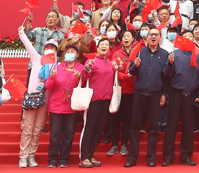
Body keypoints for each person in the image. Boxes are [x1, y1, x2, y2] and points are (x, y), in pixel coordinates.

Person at [126, 27, 174, 168]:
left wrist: (170, 64)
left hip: (155, 94)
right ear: (146, 37)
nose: (153, 37)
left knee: (153, 127)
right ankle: (132, 158)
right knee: (135, 126)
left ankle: (151, 158)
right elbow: (131, 72)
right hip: (140, 93)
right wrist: (135, 66)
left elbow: (167, 76)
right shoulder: (140, 51)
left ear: (160, 38)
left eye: (156, 35)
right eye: (151, 34)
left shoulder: (165, 54)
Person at [163, 30, 199, 167]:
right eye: (185, 36)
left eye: (190, 37)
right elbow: (166, 74)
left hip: (191, 94)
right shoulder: (174, 54)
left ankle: (186, 156)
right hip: (176, 93)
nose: (188, 38)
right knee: (171, 126)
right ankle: (168, 157)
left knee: (188, 127)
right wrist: (170, 64)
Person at [19, 30, 59, 168]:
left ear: (56, 51)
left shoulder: (57, 66)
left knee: (37, 130)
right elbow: (28, 45)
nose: (49, 49)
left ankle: (31, 155)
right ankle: (23, 156)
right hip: (32, 98)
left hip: (45, 101)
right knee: (27, 129)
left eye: (52, 48)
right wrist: (22, 33)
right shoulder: (37, 58)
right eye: (47, 47)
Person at [45, 43, 85, 168]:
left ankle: (63, 160)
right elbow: (48, 86)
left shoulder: (81, 68)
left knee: (69, 135)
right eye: (68, 52)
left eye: (72, 52)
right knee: (55, 135)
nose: (69, 54)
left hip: (72, 108)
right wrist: (51, 78)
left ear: (77, 55)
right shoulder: (57, 67)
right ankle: (52, 160)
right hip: (56, 107)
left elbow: (84, 85)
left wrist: (79, 79)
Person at [79, 38, 115, 168]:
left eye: (107, 45)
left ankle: (91, 154)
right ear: (98, 48)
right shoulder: (92, 61)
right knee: (90, 127)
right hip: (93, 99)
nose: (104, 46)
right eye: (102, 45)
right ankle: (84, 157)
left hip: (106, 99)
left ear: (109, 49)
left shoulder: (109, 62)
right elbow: (84, 77)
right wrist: (88, 68)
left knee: (98, 129)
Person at [109, 30, 137, 157]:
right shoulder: (117, 54)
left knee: (127, 119)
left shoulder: (137, 53)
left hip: (132, 91)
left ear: (133, 39)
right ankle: (114, 145)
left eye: (128, 36)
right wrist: (125, 76)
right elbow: (113, 72)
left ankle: (124, 144)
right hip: (118, 90)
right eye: (124, 36)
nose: (126, 38)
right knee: (115, 118)